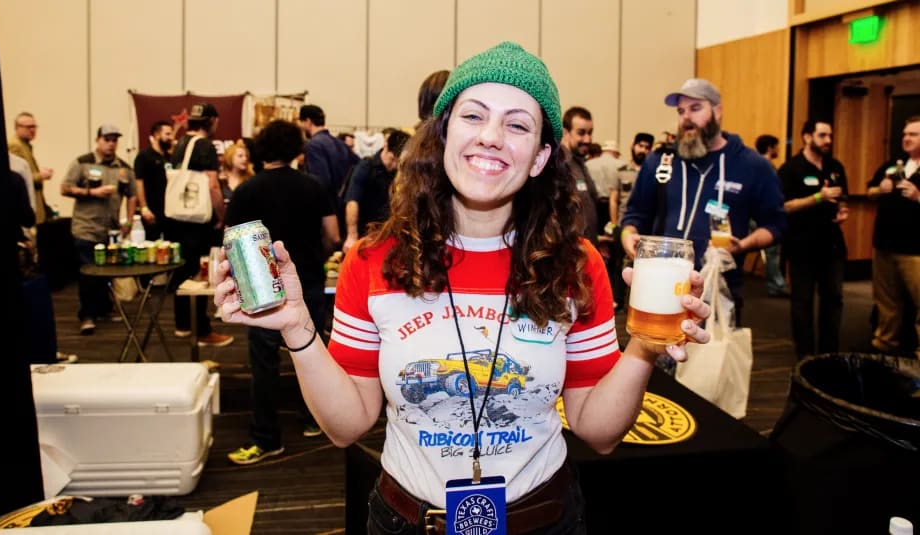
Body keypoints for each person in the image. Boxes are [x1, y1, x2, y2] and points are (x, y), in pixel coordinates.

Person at [213, 41, 710, 534]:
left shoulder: (575, 265)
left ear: (540, 157)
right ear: (444, 133)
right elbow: (348, 426)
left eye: (517, 125)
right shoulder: (374, 259)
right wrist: (299, 329)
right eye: (473, 116)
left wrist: (644, 347)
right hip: (406, 522)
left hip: (543, 521)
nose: (490, 137)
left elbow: (598, 433)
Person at [621, 77, 787, 327]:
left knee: (708, 353)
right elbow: (635, 213)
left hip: (718, 293)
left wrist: (743, 245)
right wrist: (628, 235)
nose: (686, 118)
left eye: (695, 108)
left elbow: (776, 224)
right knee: (652, 350)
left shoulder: (752, 166)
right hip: (659, 291)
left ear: (718, 111)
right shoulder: (660, 161)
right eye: (681, 111)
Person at [225, 120, 340, 464]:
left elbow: (231, 242)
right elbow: (333, 236)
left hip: (261, 289)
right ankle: (313, 420)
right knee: (310, 353)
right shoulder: (314, 186)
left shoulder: (247, 190)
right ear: (296, 149)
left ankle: (266, 437)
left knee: (264, 364)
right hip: (308, 282)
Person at [777, 120, 848, 358]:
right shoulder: (791, 169)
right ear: (807, 137)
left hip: (832, 244)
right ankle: (806, 357)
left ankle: (829, 355)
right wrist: (818, 197)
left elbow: (842, 199)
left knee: (833, 300)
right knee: (802, 302)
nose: (828, 140)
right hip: (802, 245)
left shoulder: (835, 166)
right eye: (822, 135)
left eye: (830, 136)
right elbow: (784, 206)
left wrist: (842, 212)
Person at [60, 124, 137, 335]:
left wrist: (129, 221)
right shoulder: (83, 163)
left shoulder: (124, 168)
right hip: (86, 227)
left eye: (114, 140)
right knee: (88, 273)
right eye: (107, 139)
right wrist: (92, 192)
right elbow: (65, 188)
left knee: (106, 272)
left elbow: (132, 195)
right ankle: (87, 315)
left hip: (110, 230)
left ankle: (104, 309)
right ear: (97, 140)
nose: (111, 144)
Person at [167, 103, 233, 347]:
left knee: (184, 270)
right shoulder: (204, 146)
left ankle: (183, 324)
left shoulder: (181, 144)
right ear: (212, 121)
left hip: (179, 217)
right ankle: (201, 329)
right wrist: (222, 215)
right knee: (201, 273)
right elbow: (213, 185)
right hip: (199, 220)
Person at [866, 115, 920, 358]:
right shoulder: (892, 166)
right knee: (887, 302)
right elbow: (869, 192)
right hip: (884, 245)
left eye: (913, 134)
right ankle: (884, 345)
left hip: (915, 249)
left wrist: (918, 197)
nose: (906, 138)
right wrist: (880, 189)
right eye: (905, 134)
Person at [341, 129, 410, 253]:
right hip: (365, 234)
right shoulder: (365, 167)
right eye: (392, 159)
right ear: (386, 146)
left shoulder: (400, 172)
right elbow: (352, 202)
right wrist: (352, 236)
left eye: (398, 161)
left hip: (389, 235)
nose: (394, 165)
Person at [607, 132, 654, 310]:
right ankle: (617, 299)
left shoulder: (653, 174)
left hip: (644, 229)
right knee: (619, 263)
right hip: (623, 225)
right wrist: (614, 224)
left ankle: (637, 303)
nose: (643, 150)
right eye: (640, 146)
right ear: (633, 146)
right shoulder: (622, 172)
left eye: (647, 147)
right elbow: (614, 199)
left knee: (642, 267)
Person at [560, 106, 602, 249]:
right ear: (565, 132)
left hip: (587, 249)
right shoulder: (558, 165)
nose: (587, 139)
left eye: (590, 133)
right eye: (581, 133)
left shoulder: (580, 164)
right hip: (569, 252)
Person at [755, 134, 789, 297]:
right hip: (761, 217)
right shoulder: (766, 167)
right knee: (772, 251)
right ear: (770, 148)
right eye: (777, 146)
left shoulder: (755, 165)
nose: (779, 150)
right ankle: (776, 285)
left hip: (757, 215)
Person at [8, 111, 55, 224]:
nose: (33, 130)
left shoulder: (25, 146)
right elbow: (18, 179)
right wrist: (41, 176)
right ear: (17, 128)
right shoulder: (15, 146)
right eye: (28, 127)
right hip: (26, 205)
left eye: (34, 126)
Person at [132, 120, 174, 241]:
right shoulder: (144, 156)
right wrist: (144, 208)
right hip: (151, 212)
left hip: (169, 212)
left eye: (171, 134)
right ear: (156, 135)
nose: (171, 138)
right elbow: (138, 182)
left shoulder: (170, 157)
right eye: (167, 134)